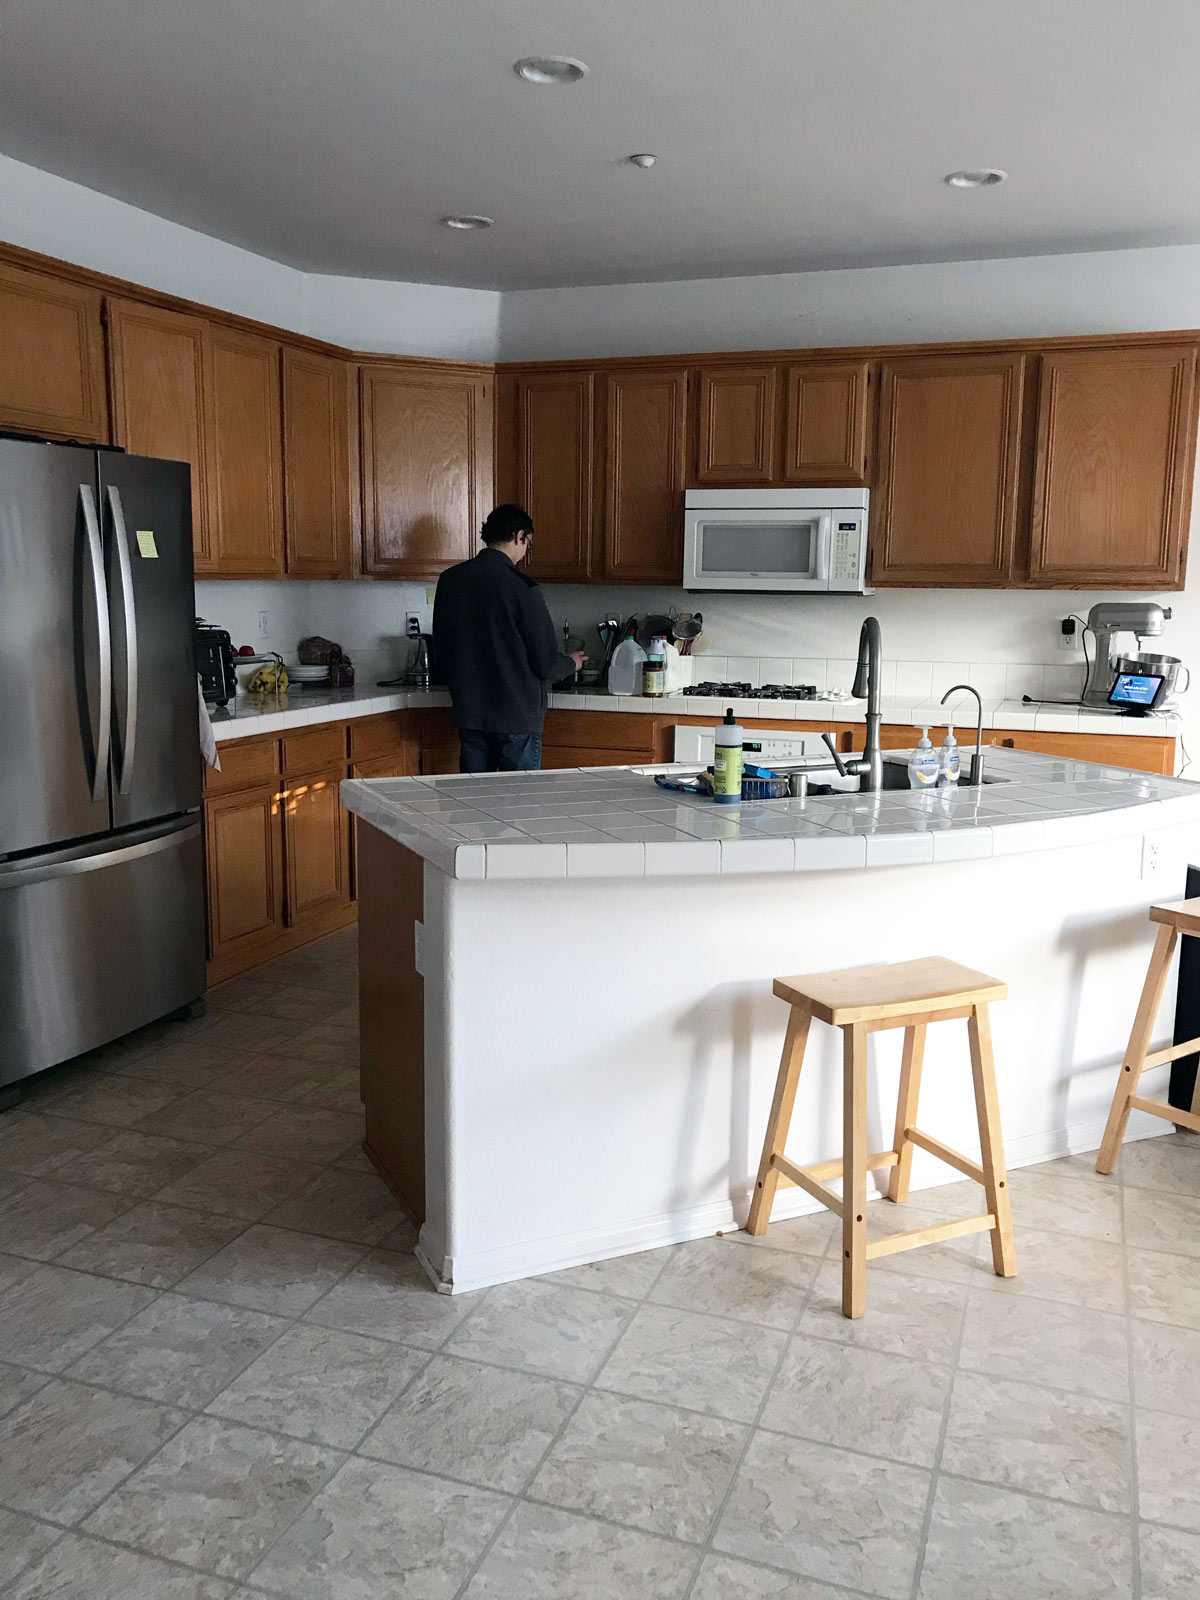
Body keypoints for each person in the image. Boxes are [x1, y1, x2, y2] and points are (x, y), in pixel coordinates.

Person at [432, 504, 585, 772]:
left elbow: (442, 653)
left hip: (470, 715)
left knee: (473, 805)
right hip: (516, 716)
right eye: (528, 542)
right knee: (515, 806)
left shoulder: (450, 580)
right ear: (519, 536)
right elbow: (545, 663)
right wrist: (572, 663)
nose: (526, 550)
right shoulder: (522, 587)